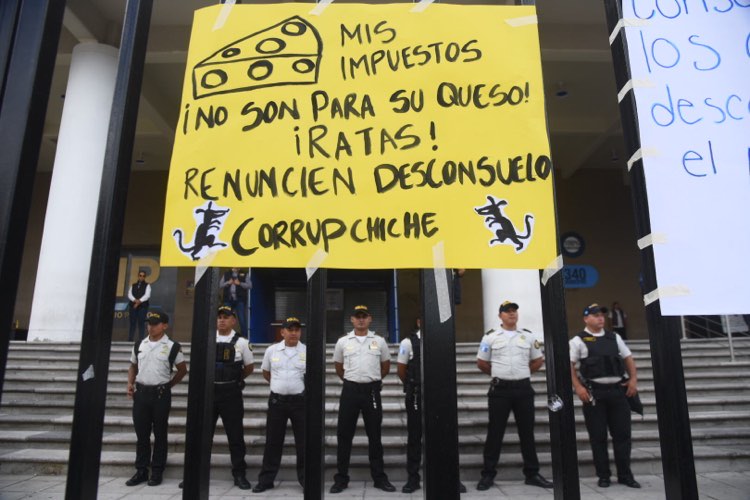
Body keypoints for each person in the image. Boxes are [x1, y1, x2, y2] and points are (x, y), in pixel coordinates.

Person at [476, 301, 552, 490]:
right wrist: (500, 374)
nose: (512, 314)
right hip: (500, 391)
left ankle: (532, 473)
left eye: (514, 311)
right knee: (495, 433)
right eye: (507, 312)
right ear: (500, 315)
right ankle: (488, 474)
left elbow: (537, 360)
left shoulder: (528, 336)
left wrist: (520, 374)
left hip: (523, 390)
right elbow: (482, 363)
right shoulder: (490, 337)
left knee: (527, 433)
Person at [570, 303, 641, 489]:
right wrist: (578, 387)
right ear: (586, 319)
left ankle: (625, 475)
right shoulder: (578, 340)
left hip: (618, 392)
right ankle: (604, 476)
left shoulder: (614, 337)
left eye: (602, 314)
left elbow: (628, 358)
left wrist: (633, 380)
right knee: (598, 437)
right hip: (595, 394)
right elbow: (568, 365)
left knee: (623, 436)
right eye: (595, 315)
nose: (600, 318)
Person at [397, 318, 467, 494]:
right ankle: (413, 479)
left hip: (440, 394)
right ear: (419, 322)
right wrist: (414, 384)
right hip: (416, 394)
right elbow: (401, 369)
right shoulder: (408, 342)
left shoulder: (443, 338)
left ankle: (451, 477)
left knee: (445, 436)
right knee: (415, 437)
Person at [330, 305, 395, 493]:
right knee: (344, 435)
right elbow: (338, 366)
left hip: (372, 391)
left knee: (374, 435)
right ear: (351, 319)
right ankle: (341, 478)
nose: (360, 320)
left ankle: (379, 478)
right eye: (357, 317)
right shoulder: (343, 341)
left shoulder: (379, 341)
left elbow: (385, 366)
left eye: (364, 317)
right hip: (350, 390)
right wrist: (353, 381)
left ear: (370, 319)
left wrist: (372, 381)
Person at [126, 311, 187, 486]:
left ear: (165, 325)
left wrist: (169, 385)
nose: (150, 327)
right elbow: (133, 365)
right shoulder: (140, 344)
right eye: (149, 323)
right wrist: (130, 383)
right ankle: (141, 470)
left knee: (160, 434)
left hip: (161, 394)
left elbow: (182, 369)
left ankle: (157, 471)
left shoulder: (173, 346)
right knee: (142, 435)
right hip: (141, 394)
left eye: (155, 323)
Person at [253, 317, 306, 493]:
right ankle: (266, 480)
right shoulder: (272, 350)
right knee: (273, 443)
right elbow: (266, 372)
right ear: (282, 332)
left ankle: (307, 480)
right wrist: (280, 386)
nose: (293, 333)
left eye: (296, 329)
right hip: (277, 402)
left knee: (304, 443)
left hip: (300, 403)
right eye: (289, 329)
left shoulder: (307, 350)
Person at [220, 268, 251, 337]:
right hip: (228, 300)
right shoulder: (226, 274)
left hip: (239, 300)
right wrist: (228, 282)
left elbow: (250, 285)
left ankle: (244, 337)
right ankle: (224, 336)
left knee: (242, 319)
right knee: (226, 318)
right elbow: (220, 285)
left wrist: (240, 283)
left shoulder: (245, 274)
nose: (236, 266)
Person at [127, 270, 151, 342]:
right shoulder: (133, 285)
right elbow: (129, 294)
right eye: (140, 275)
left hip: (142, 307)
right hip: (133, 307)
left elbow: (147, 295)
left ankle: (141, 340)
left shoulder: (147, 285)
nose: (142, 277)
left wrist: (138, 302)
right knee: (132, 323)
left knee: (141, 323)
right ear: (138, 276)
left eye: (143, 276)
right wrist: (135, 300)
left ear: (145, 277)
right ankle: (130, 339)